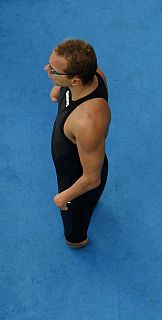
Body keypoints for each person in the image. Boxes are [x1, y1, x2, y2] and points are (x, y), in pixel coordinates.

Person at [46, 39, 111, 248]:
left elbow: (92, 178)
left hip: (77, 181)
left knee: (74, 237)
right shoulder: (93, 74)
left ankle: (79, 238)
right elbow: (64, 84)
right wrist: (59, 86)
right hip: (81, 156)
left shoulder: (87, 122)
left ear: (75, 81)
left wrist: (63, 197)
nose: (46, 69)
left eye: (53, 70)